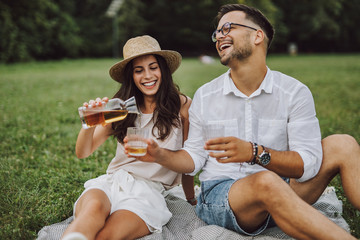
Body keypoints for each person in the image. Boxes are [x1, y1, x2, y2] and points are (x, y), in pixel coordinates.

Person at [128, 4, 360, 240]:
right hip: (224, 197)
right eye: (216, 32)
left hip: (284, 190)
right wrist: (160, 154)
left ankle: (289, 209)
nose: (219, 36)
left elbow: (308, 164)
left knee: (344, 144)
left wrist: (254, 152)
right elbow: (194, 158)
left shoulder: (294, 92)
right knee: (265, 182)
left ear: (258, 35)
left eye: (227, 28)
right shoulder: (206, 96)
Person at [62, 35, 194, 240]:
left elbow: (189, 160)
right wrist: (89, 123)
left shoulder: (182, 106)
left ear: (163, 70)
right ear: (131, 76)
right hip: (113, 181)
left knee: (107, 235)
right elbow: (83, 152)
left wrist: (191, 197)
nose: (147, 76)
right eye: (138, 70)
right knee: (92, 211)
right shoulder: (122, 107)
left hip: (148, 192)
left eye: (153, 67)